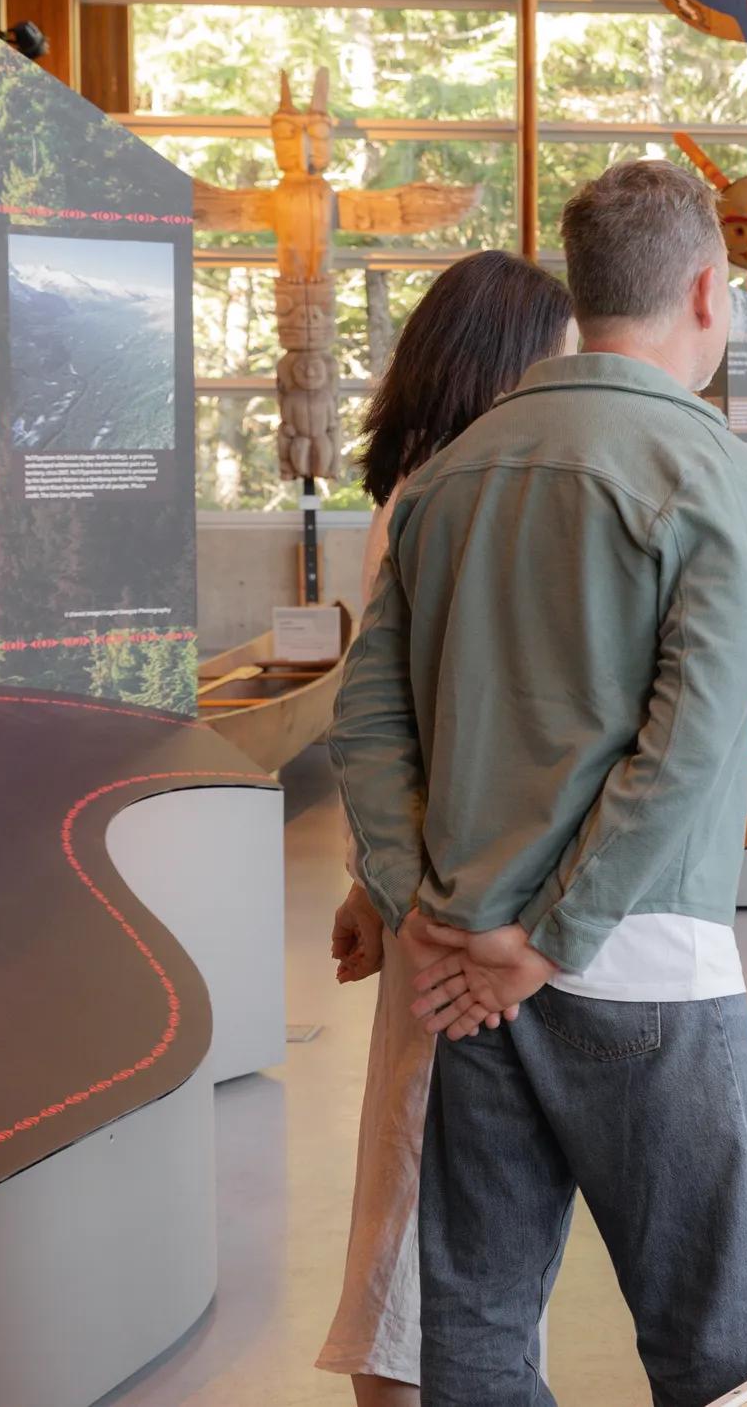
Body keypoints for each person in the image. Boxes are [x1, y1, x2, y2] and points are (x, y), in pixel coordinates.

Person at [329, 160, 747, 1407]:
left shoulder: (451, 472)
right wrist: (551, 937)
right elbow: (687, 741)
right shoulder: (711, 470)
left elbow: (363, 717)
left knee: (475, 1338)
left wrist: (425, 906)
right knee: (724, 1346)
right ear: (708, 290)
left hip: (462, 973)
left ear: (581, 292)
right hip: (646, 966)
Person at [317, 251, 574, 1407]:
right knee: (423, 1187)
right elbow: (400, 727)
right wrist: (399, 890)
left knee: (441, 1181)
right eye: (559, 360)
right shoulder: (444, 503)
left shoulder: (429, 495)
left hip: (432, 890)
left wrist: (367, 883)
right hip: (453, 902)